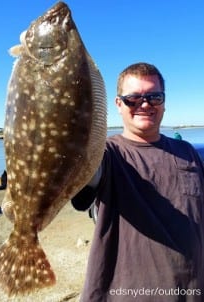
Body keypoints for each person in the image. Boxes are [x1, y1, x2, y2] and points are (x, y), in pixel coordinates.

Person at [71, 62, 204, 301]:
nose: (145, 104)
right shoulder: (106, 154)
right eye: (133, 98)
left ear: (164, 101)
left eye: (154, 97)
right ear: (118, 104)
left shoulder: (187, 152)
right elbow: (81, 166)